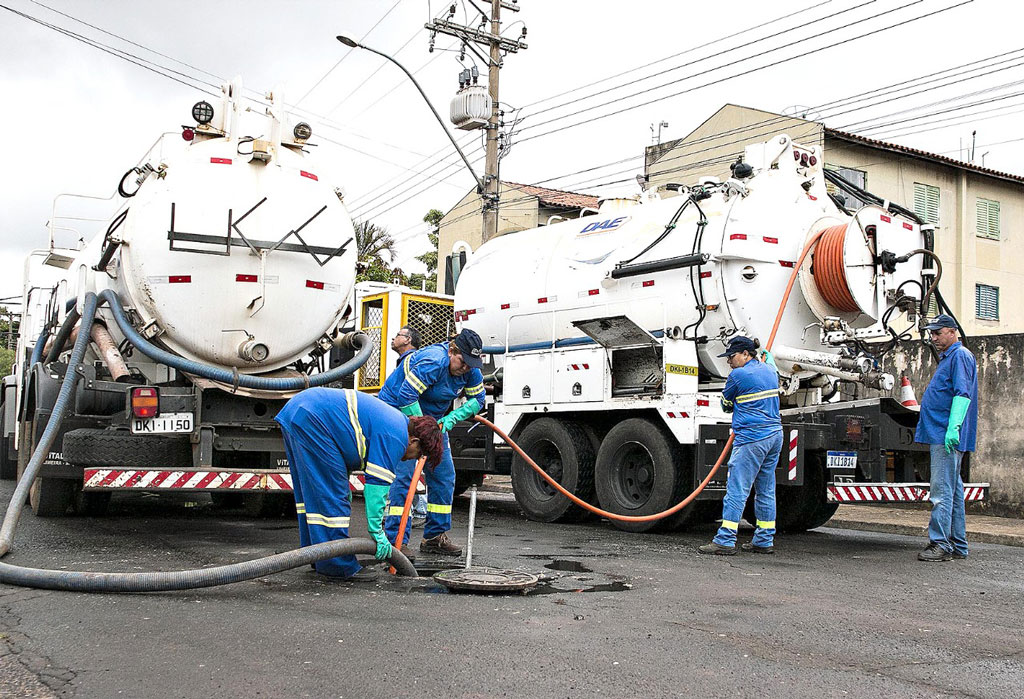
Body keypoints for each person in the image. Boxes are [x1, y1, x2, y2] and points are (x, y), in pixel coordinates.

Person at [275, 387, 443, 580]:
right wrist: (377, 533)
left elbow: (344, 445)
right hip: (313, 419)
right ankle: (337, 566)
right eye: (419, 454)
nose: (413, 459)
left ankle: (317, 555)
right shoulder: (396, 436)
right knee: (332, 502)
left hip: (300, 411)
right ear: (414, 441)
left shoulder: (393, 422)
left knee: (314, 498)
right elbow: (376, 488)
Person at [378, 328, 486, 557]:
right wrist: (424, 431)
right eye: (462, 361)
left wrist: (452, 418)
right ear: (451, 350)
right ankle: (395, 541)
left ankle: (434, 537)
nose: (466, 368)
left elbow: (478, 400)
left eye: (471, 363)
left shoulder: (470, 369)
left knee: (444, 474)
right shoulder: (433, 362)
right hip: (400, 414)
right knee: (405, 477)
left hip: (434, 423)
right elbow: (406, 395)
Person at [699, 336, 783, 556]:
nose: (729, 361)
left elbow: (726, 406)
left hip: (752, 438)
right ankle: (764, 540)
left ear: (746, 354)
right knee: (766, 490)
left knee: (737, 489)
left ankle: (725, 540)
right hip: (775, 436)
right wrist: (768, 358)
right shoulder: (770, 371)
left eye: (732, 356)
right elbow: (770, 364)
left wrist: (732, 401)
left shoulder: (738, 375)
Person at [914, 314, 978, 562]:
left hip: (945, 434)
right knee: (952, 491)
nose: (934, 338)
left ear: (952, 332)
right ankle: (958, 544)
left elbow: (962, 393)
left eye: (938, 333)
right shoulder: (950, 357)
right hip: (942, 432)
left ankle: (939, 543)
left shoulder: (959, 356)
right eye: (932, 333)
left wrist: (954, 427)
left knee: (941, 491)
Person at [389, 325, 428, 524]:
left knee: (403, 473)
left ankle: (396, 530)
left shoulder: (409, 362)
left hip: (403, 426)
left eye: (398, 335)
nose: (393, 338)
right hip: (405, 424)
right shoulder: (407, 363)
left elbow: (404, 396)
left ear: (408, 340)